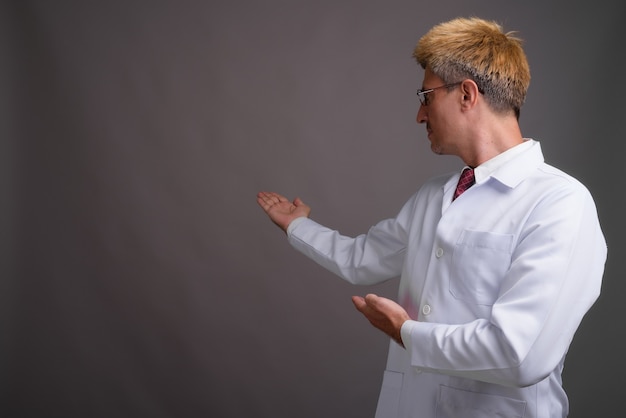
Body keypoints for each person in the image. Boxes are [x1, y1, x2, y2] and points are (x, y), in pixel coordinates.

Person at [256, 17, 606, 418]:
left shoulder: (560, 203)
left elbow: (520, 354)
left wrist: (407, 334)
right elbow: (360, 258)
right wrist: (297, 225)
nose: (419, 116)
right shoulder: (433, 197)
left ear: (467, 95)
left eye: (426, 96)